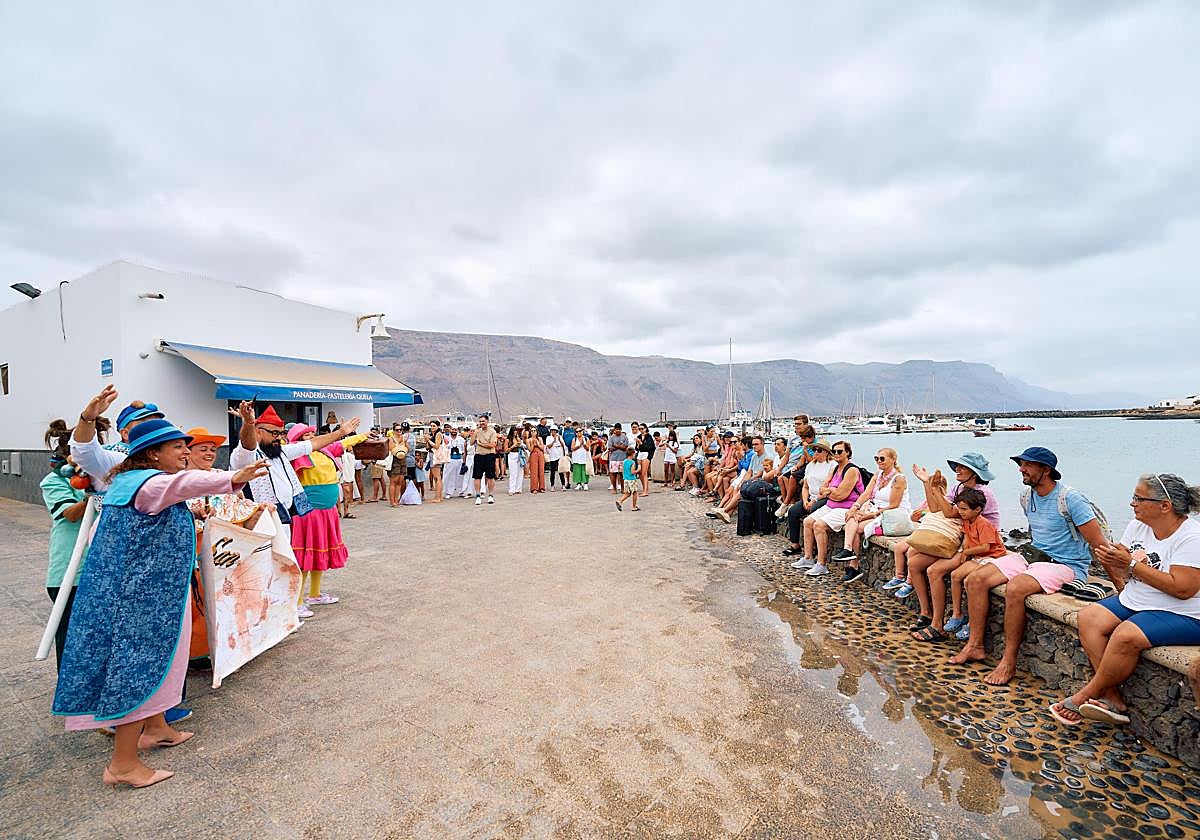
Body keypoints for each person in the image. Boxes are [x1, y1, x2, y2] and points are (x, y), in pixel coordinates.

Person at [52, 418, 268, 788]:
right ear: (152, 454)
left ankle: (156, 728)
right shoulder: (149, 482)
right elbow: (183, 484)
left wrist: (190, 514)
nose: (186, 452)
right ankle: (123, 764)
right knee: (140, 665)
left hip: (152, 593)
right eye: (177, 447)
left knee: (166, 661)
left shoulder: (130, 483)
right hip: (142, 601)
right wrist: (232, 477)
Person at [1050, 473, 1200, 726]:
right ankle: (1112, 697)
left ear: (1165, 506)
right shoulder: (1137, 525)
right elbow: (1127, 566)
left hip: (1182, 611)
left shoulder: (1191, 538)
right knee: (1088, 617)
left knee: (1125, 635)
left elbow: (1182, 589)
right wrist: (1114, 559)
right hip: (1137, 600)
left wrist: (1129, 563)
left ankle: (1087, 694)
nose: (1132, 503)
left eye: (1139, 498)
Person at [950, 447, 1108, 685]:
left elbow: (1099, 544)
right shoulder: (1026, 496)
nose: (1021, 469)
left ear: (1046, 470)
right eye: (1020, 464)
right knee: (975, 579)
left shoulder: (1071, 499)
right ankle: (975, 645)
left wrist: (1121, 585)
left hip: (1067, 564)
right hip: (1034, 557)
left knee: (1015, 588)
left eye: (1027, 465)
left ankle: (1008, 662)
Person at [285, 419, 366, 611]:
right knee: (305, 556)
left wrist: (363, 435)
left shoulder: (324, 450)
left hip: (327, 511)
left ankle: (314, 594)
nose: (311, 437)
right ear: (297, 439)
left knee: (320, 551)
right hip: (308, 512)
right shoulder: (294, 453)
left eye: (312, 434)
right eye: (306, 435)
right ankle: (296, 603)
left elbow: (342, 443)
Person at [909, 488, 1007, 642]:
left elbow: (986, 547)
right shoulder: (967, 519)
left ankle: (945, 623)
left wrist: (966, 553)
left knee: (942, 573)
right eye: (959, 508)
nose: (959, 512)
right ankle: (952, 614)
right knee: (927, 567)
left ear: (977, 510)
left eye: (963, 509)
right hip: (972, 552)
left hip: (988, 557)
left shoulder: (983, 523)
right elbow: (967, 537)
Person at [41, 421, 90, 671]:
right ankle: (69, 693)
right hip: (68, 573)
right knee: (70, 636)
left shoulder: (95, 478)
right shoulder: (53, 480)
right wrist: (92, 496)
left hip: (95, 569)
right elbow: (69, 514)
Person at [835, 448, 910, 583]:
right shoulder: (878, 475)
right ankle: (847, 549)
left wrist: (868, 516)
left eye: (882, 458)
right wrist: (855, 507)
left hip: (889, 513)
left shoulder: (898, 479)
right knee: (852, 518)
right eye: (877, 458)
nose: (879, 461)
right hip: (874, 509)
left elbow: (894, 505)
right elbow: (866, 493)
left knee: (857, 528)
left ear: (893, 460)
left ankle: (854, 565)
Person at [70, 387, 165, 492]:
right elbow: (84, 451)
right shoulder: (117, 461)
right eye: (146, 425)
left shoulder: (167, 457)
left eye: (159, 425)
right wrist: (87, 418)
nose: (155, 429)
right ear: (125, 434)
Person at [802, 442, 863, 577]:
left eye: (839, 451)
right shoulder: (835, 469)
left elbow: (842, 495)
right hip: (831, 505)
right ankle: (808, 558)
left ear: (847, 453)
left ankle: (821, 564)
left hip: (846, 507)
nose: (836, 454)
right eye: (834, 451)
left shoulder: (851, 470)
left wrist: (830, 491)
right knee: (807, 521)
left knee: (819, 525)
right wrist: (832, 491)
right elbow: (822, 490)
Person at [782, 439, 835, 567]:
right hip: (810, 497)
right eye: (814, 449)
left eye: (819, 450)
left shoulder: (832, 465)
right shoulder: (811, 465)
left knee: (812, 512)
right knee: (793, 511)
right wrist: (805, 500)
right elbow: (805, 486)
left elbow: (828, 485)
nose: (815, 452)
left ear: (827, 453)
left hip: (824, 498)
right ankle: (795, 544)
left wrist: (815, 500)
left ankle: (814, 550)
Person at [472, 415, 498, 505]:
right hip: (479, 455)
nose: (481, 423)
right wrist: (474, 433)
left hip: (489, 455)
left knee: (490, 476)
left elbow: (492, 445)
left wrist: (480, 444)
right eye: (480, 421)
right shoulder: (477, 431)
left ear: (487, 421)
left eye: (483, 421)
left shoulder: (492, 432)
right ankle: (478, 496)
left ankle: (490, 495)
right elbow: (471, 442)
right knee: (477, 476)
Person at [606, 424, 630, 493]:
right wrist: (620, 446)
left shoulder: (625, 437)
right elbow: (610, 448)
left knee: (622, 474)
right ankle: (614, 488)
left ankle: (622, 488)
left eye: (619, 429)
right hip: (613, 459)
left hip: (623, 458)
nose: (618, 430)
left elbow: (625, 448)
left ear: (621, 429)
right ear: (614, 430)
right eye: (616, 429)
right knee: (613, 474)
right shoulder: (611, 437)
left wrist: (616, 446)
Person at [634, 422, 655, 496]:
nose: (640, 430)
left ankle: (645, 491)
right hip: (640, 454)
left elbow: (648, 447)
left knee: (644, 473)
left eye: (642, 428)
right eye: (639, 429)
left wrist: (641, 443)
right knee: (640, 473)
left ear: (646, 429)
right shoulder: (639, 436)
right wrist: (638, 444)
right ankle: (644, 489)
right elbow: (636, 448)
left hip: (646, 454)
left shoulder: (649, 437)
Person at [527, 426, 547, 493]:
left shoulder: (540, 438)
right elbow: (530, 450)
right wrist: (533, 444)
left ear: (537, 432)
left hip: (540, 454)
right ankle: (534, 488)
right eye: (532, 431)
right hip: (533, 454)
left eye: (534, 430)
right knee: (534, 471)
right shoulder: (528, 440)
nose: (533, 432)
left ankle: (542, 487)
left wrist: (537, 444)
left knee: (541, 471)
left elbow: (542, 448)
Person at [506, 427, 525, 494]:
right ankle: (512, 489)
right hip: (512, 454)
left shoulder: (518, 438)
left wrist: (520, 444)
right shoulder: (508, 440)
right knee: (513, 473)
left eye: (516, 431)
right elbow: (505, 450)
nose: (515, 432)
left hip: (519, 455)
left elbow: (523, 446)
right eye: (514, 431)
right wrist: (513, 446)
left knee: (520, 472)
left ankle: (518, 488)